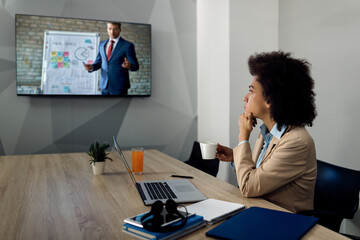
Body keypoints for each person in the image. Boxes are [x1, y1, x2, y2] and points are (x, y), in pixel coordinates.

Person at [216, 51, 317, 214]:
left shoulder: (297, 142)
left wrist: (243, 138)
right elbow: (259, 171)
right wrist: (235, 156)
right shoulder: (267, 131)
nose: (245, 97)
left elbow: (249, 187)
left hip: (283, 222)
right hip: (259, 211)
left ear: (269, 100)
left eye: (251, 91)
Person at [84, 22, 139, 95]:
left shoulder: (127, 45)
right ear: (107, 29)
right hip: (104, 86)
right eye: (110, 29)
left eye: (115, 29)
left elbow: (136, 66)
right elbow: (99, 62)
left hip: (119, 87)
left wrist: (129, 66)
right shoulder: (101, 44)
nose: (112, 32)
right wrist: (91, 67)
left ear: (120, 29)